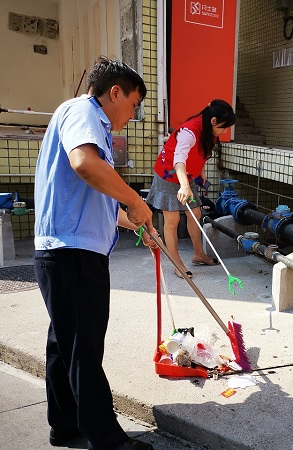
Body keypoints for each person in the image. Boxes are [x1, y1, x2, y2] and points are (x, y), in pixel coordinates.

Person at [34, 57, 159, 450]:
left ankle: (65, 425)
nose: (133, 115)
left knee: (65, 343)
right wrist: (136, 201)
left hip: (65, 252)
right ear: (115, 93)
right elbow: (84, 164)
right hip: (73, 255)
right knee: (84, 348)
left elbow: (95, 199)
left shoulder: (85, 122)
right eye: (134, 104)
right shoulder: (83, 112)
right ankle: (107, 439)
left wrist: (135, 223)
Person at [145, 100, 236, 279]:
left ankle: (199, 254)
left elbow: (201, 153)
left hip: (187, 176)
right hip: (169, 175)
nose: (225, 131)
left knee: (195, 213)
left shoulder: (208, 129)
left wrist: (200, 171)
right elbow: (179, 160)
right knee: (172, 220)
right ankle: (176, 263)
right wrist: (184, 186)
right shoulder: (189, 132)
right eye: (224, 127)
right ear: (214, 121)